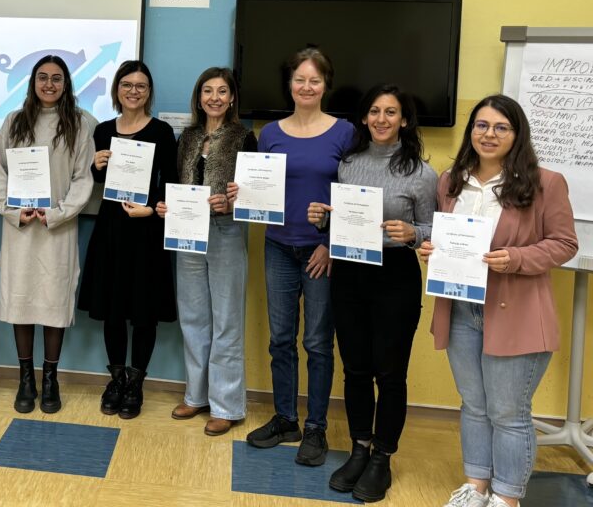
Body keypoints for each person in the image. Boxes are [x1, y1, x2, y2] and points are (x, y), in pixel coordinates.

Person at [419, 95, 577, 507]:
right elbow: (448, 234)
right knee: (473, 404)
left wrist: (518, 258)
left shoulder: (546, 182)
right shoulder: (450, 178)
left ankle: (506, 498)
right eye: (481, 125)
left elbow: (564, 243)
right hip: (461, 308)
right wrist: (433, 249)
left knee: (508, 412)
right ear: (471, 131)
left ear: (516, 133)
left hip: (517, 313)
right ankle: (475, 487)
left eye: (500, 127)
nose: (489, 134)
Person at [306, 85, 437, 501]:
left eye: (391, 112)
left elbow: (437, 232)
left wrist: (414, 233)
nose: (382, 119)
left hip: (395, 276)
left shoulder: (422, 172)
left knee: (389, 372)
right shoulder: (349, 163)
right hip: (350, 274)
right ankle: (359, 448)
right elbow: (344, 222)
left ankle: (382, 458)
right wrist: (321, 222)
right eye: (375, 112)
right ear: (364, 118)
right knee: (356, 369)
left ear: (404, 120)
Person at [245, 47, 354, 464]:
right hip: (278, 247)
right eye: (299, 80)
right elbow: (259, 189)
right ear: (289, 84)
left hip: (321, 252)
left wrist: (331, 242)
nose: (306, 87)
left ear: (326, 85)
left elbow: (354, 195)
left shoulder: (344, 133)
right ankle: (286, 418)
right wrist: (243, 194)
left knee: (318, 343)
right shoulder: (270, 132)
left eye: (314, 80)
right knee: (280, 340)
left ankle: (316, 428)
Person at [0, 55, 95, 415]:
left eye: (56, 78)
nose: (49, 84)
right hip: (20, 228)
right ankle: (25, 378)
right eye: (42, 78)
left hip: (57, 229)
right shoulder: (14, 121)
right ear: (32, 82)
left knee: (53, 302)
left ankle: (50, 378)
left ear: (66, 84)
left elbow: (84, 179)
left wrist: (56, 213)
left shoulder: (81, 125)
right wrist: (13, 210)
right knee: (21, 300)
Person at [156, 67, 257, 436]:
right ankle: (196, 396)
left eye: (222, 91)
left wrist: (232, 203)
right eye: (207, 91)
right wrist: (167, 206)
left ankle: (227, 405)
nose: (214, 97)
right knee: (194, 317)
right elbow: (175, 185)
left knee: (226, 320)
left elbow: (254, 197)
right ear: (199, 97)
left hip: (226, 232)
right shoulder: (187, 137)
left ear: (232, 98)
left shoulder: (246, 138)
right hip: (187, 233)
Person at [78, 60, 178, 420]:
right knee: (113, 309)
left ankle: (136, 383)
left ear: (148, 92)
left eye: (141, 85)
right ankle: (116, 378)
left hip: (147, 229)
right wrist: (96, 166)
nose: (133, 91)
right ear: (117, 89)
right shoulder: (103, 130)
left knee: (143, 310)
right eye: (127, 84)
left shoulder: (162, 131)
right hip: (112, 228)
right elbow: (98, 182)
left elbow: (172, 182)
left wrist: (151, 210)